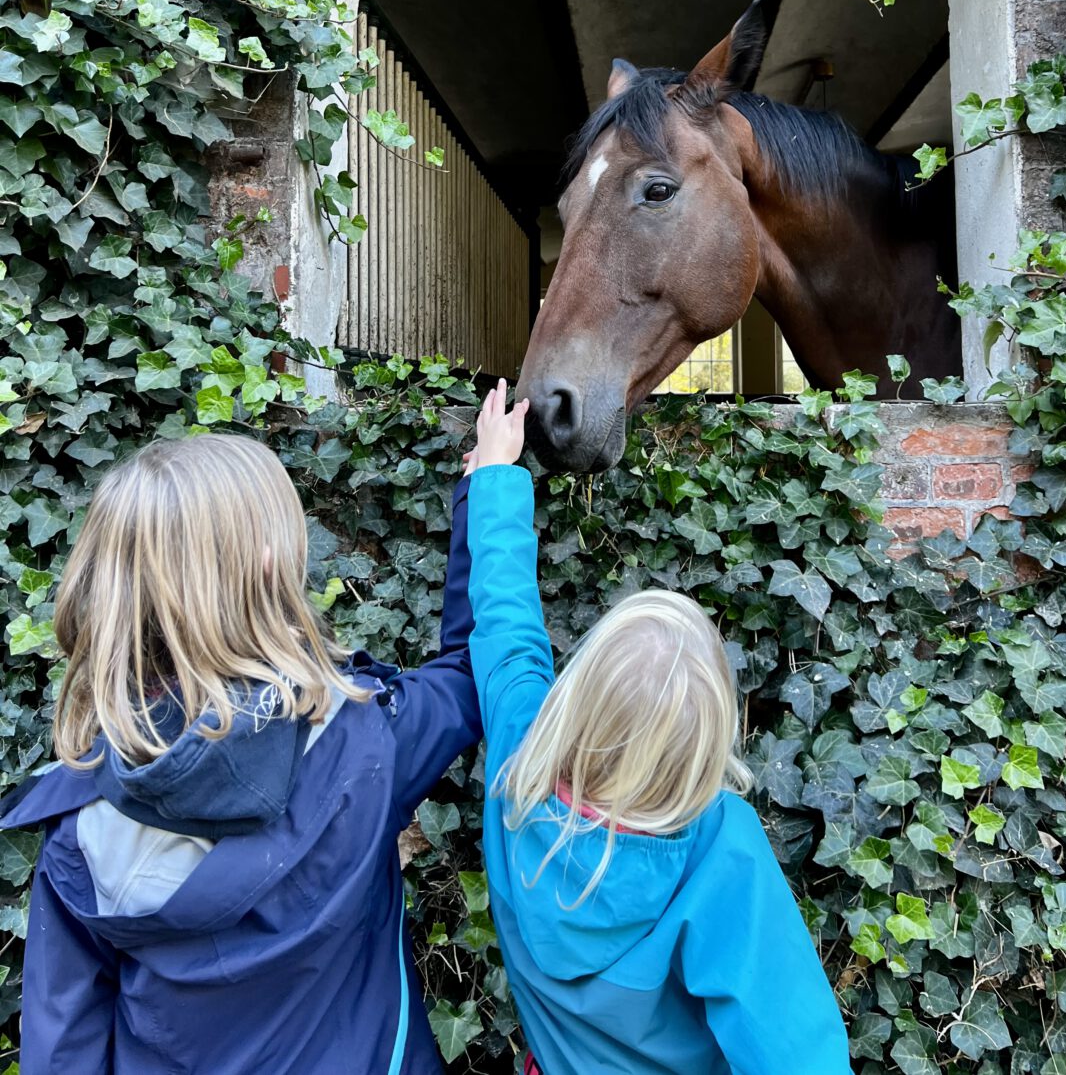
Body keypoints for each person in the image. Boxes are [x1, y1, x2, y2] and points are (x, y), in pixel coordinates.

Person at [0, 433, 481, 1075]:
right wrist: (485, 489)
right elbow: (472, 671)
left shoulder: (78, 825)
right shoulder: (366, 737)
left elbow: (62, 1049)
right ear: (264, 563)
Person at [464, 381, 854, 1075]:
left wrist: (495, 475)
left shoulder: (517, 764)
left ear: (575, 693)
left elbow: (507, 624)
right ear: (709, 736)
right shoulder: (717, 844)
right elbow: (796, 1056)